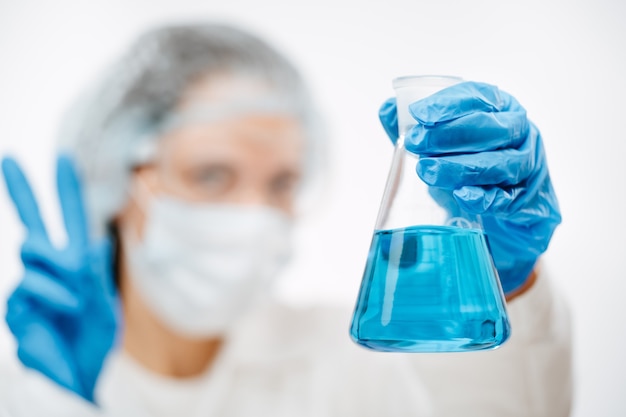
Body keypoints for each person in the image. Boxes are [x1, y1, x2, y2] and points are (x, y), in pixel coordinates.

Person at [0, 23, 571, 417]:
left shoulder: (344, 366)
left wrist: (510, 283)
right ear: (115, 178)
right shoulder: (25, 382)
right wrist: (56, 404)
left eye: (281, 183)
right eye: (211, 175)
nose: (254, 213)